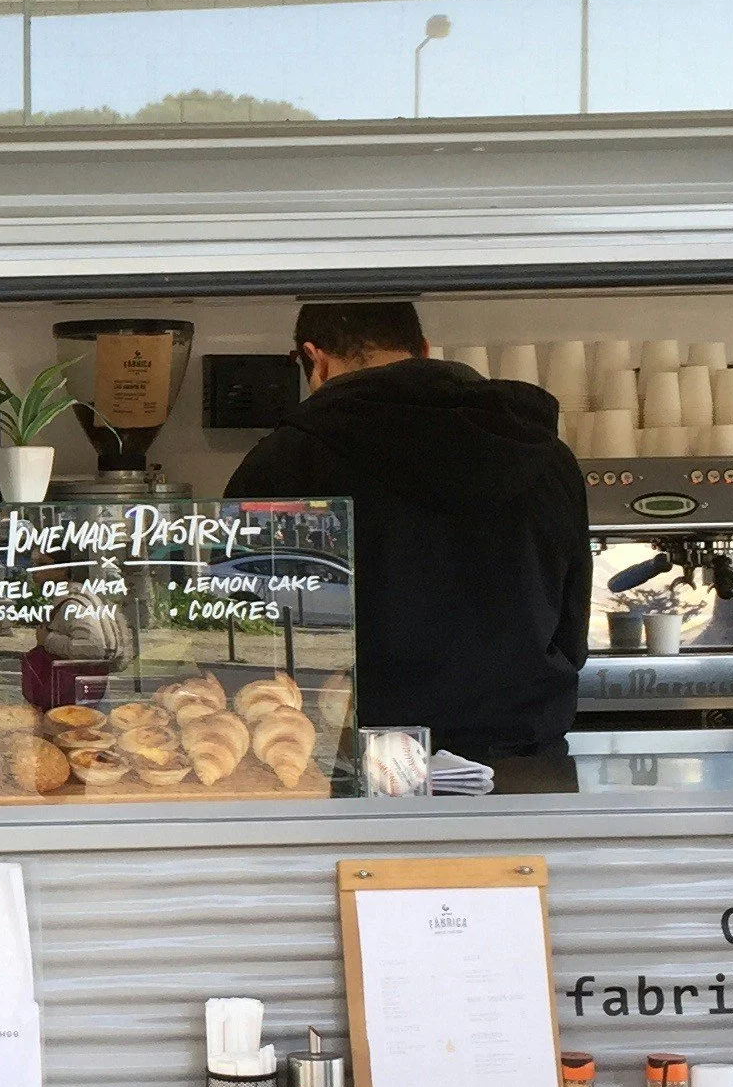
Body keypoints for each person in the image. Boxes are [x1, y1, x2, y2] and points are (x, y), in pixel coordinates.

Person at [223, 300, 590, 764]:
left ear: (315, 358)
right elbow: (572, 625)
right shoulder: (547, 456)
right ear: (423, 349)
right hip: (518, 751)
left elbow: (245, 630)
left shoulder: (284, 461)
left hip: (351, 757)